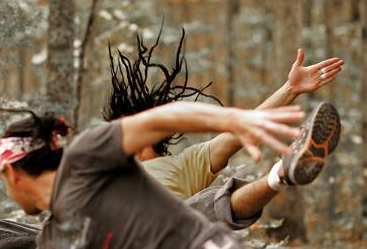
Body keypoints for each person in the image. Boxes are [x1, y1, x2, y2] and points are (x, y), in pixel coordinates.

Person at [104, 29, 342, 229]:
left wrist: (291, 88)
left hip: (182, 236)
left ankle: (280, 174)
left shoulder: (185, 165)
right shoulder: (108, 176)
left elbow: (239, 131)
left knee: (209, 202)